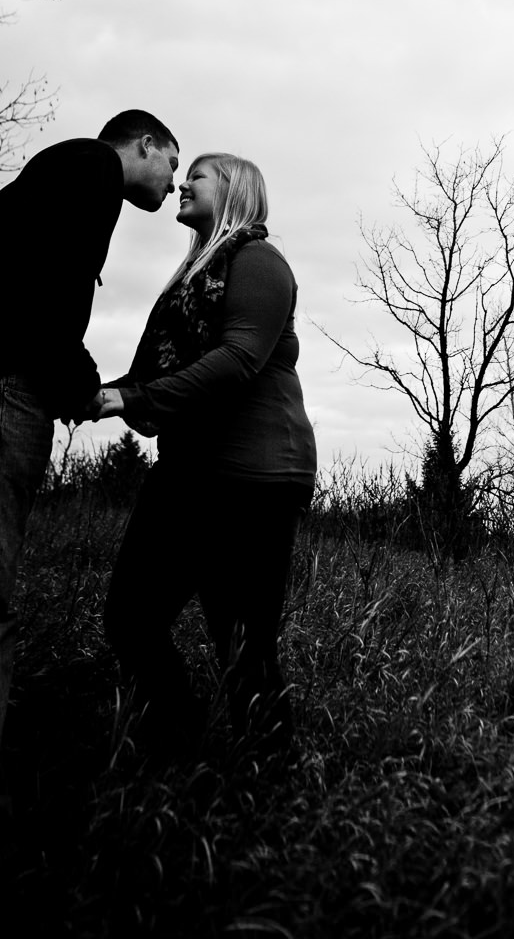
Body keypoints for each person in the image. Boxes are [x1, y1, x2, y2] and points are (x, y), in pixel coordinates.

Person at [0, 109, 179, 828]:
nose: (173, 185)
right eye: (172, 164)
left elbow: (7, 287)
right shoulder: (87, 169)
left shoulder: (54, 179)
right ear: (142, 144)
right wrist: (81, 383)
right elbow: (45, 288)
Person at [92, 151, 316, 761]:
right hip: (190, 469)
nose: (184, 183)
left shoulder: (258, 262)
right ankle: (180, 741)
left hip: (256, 479)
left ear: (236, 190)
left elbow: (238, 360)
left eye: (199, 175)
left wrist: (128, 398)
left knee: (242, 644)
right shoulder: (193, 278)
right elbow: (162, 372)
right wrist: (101, 391)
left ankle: (270, 795)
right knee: (131, 619)